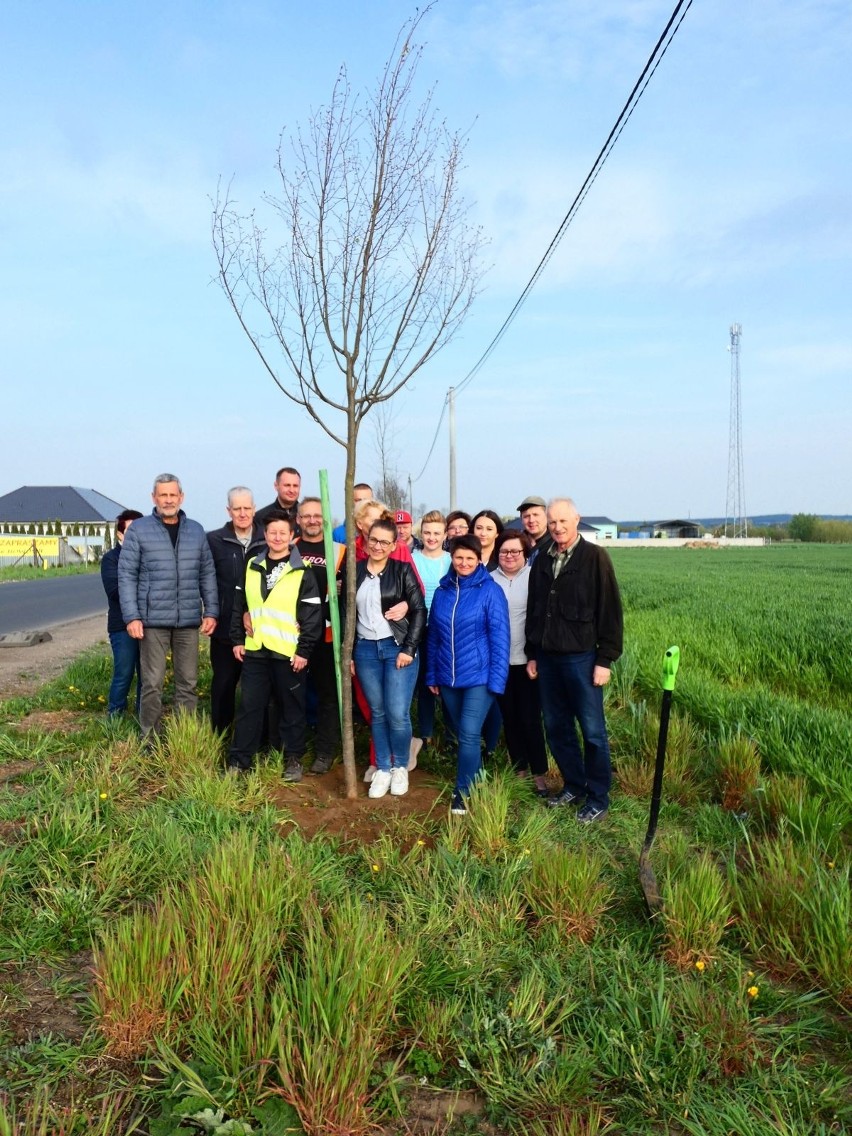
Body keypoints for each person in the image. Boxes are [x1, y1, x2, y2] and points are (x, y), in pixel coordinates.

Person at [525, 498, 623, 823]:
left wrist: (604, 659)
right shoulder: (542, 558)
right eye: (552, 522)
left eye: (563, 521)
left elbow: (610, 611)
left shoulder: (595, 558)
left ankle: (598, 798)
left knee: (592, 731)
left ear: (576, 520)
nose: (557, 527)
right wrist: (532, 653)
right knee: (556, 727)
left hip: (582, 659)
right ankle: (574, 784)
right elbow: (535, 609)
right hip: (548, 659)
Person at [118, 475, 219, 743]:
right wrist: (132, 616)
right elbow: (126, 574)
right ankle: (149, 738)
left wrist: (211, 611)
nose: (168, 500)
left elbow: (206, 572)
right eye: (163, 495)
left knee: (188, 684)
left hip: (187, 620)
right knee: (152, 684)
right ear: (154, 498)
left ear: (181, 497)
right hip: (152, 622)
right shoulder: (139, 530)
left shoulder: (196, 531)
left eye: (173, 495)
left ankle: (184, 737)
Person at [228, 511, 323, 780]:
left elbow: (312, 614)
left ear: (292, 536)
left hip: (288, 652)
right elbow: (240, 605)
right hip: (256, 649)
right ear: (265, 535)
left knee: (292, 708)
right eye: (272, 533)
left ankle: (293, 760)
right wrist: (237, 638)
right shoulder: (252, 565)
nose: (277, 538)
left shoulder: (302, 570)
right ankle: (239, 762)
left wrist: (304, 650)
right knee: (249, 707)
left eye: (283, 532)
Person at [426, 534, 510, 815]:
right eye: (459, 557)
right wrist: (431, 675)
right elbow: (434, 637)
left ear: (479, 560)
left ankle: (462, 793)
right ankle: (476, 780)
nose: (464, 563)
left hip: (480, 677)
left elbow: (501, 640)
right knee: (464, 735)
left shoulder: (490, 591)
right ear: (452, 557)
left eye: (470, 558)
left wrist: (497, 683)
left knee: (470, 734)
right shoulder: (442, 592)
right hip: (448, 678)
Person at [351, 518, 426, 799]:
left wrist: (409, 648)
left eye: (385, 542)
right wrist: (349, 654)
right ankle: (382, 767)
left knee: (397, 713)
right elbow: (349, 614)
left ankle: (400, 766)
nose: (378, 546)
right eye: (374, 540)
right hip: (366, 649)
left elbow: (419, 611)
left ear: (394, 545)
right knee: (378, 712)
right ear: (366, 540)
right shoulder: (355, 571)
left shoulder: (402, 570)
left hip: (397, 649)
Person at [490, 529, 548, 795]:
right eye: (504, 551)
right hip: (499, 662)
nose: (509, 556)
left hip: (528, 662)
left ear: (525, 554)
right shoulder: (489, 581)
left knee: (530, 718)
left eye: (515, 551)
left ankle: (539, 775)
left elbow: (540, 619)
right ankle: (520, 770)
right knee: (510, 718)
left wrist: (535, 655)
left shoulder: (535, 578)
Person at [206, 487, 266, 734]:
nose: (242, 513)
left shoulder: (267, 539)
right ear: (228, 510)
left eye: (247, 508)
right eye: (237, 508)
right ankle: (220, 737)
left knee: (258, 689)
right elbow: (206, 580)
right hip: (225, 629)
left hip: (261, 629)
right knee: (223, 686)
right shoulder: (214, 541)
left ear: (254, 509)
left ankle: (257, 742)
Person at [295, 496, 347, 774]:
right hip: (294, 635)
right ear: (298, 519)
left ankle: (325, 751)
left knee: (328, 694)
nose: (312, 520)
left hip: (327, 635)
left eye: (317, 515)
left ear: (325, 519)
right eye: (306, 516)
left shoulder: (339, 551)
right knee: (293, 693)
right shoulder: (288, 548)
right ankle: (293, 749)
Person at [411, 510, 451, 763]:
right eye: (427, 532)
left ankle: (450, 734)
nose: (432, 537)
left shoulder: (450, 560)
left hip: (446, 631)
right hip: (420, 629)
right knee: (425, 683)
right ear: (421, 533)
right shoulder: (412, 559)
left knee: (446, 683)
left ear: (445, 535)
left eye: (437, 533)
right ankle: (425, 734)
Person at [100, 508, 144, 717]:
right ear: (119, 534)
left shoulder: (149, 557)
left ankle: (143, 716)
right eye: (130, 531)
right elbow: (115, 591)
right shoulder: (111, 559)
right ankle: (115, 716)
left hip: (150, 624)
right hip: (122, 626)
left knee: (148, 676)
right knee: (124, 673)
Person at [517, 495, 553, 563]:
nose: (531, 520)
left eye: (536, 515)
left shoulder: (556, 543)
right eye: (526, 516)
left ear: (547, 516)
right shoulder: (517, 543)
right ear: (521, 519)